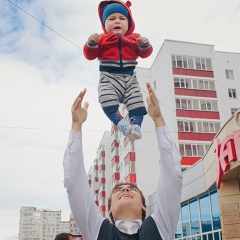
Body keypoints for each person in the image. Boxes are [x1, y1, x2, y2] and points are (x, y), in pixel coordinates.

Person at [63, 82, 183, 240]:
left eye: (131, 189)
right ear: (109, 210)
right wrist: (76, 125)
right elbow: (74, 183)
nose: (125, 190)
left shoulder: (161, 226)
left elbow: (173, 176)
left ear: (143, 206)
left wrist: (158, 119)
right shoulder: (96, 230)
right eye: (118, 190)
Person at [83, 0, 153, 140]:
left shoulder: (135, 38)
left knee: (137, 102)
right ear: (104, 23)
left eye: (122, 18)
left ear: (129, 23)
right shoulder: (102, 38)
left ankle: (136, 125)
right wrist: (91, 43)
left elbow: (145, 53)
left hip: (130, 79)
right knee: (105, 98)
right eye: (112, 18)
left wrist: (144, 44)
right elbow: (89, 55)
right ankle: (120, 122)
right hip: (109, 78)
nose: (117, 21)